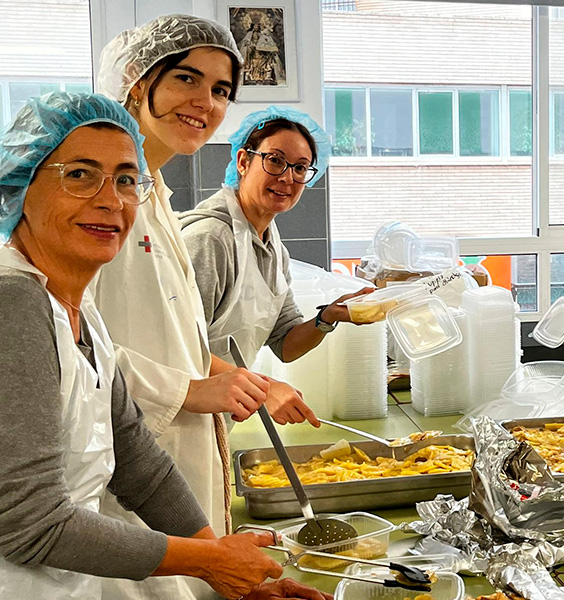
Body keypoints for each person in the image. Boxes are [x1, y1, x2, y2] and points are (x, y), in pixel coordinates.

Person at [0, 91, 286, 600]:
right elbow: (31, 521)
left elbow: (137, 462)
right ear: (20, 184)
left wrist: (224, 566)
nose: (111, 200)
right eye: (80, 175)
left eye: (128, 180)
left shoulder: (76, 306)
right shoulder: (12, 303)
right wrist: (208, 560)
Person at [92, 15, 327, 600]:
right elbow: (69, 349)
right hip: (122, 481)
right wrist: (194, 391)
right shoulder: (105, 208)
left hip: (175, 468)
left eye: (222, 89)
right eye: (186, 79)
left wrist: (238, 379)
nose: (206, 101)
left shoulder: (155, 199)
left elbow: (183, 346)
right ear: (134, 80)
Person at [180, 106, 373, 373]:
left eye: (300, 168)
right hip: (185, 408)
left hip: (223, 407)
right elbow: (179, 348)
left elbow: (286, 344)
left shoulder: (272, 250)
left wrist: (328, 316)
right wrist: (264, 390)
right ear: (243, 162)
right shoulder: (210, 239)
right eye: (274, 160)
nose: (286, 177)